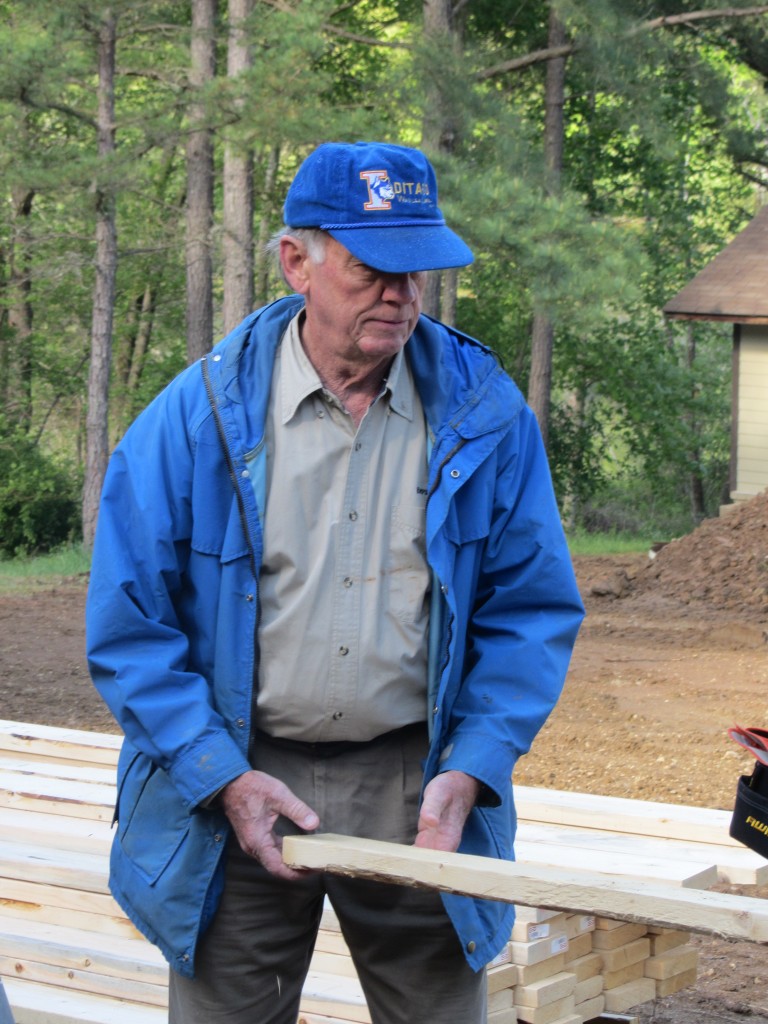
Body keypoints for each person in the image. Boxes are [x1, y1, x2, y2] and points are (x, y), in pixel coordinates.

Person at [86, 140, 584, 1024]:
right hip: (234, 775)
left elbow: (531, 612)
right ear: (297, 262)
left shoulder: (485, 414)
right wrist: (219, 777)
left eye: (417, 270)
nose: (400, 293)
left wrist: (473, 767)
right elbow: (131, 630)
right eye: (372, 268)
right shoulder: (192, 419)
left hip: (416, 781)